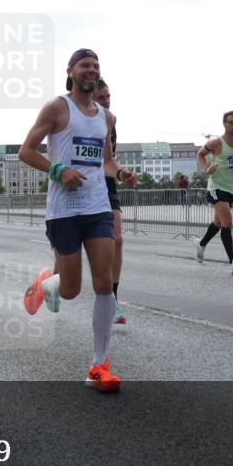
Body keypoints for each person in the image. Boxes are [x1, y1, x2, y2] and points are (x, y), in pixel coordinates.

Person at [21, 49, 138, 393]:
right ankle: (46, 283)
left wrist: (124, 172)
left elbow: (106, 162)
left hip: (97, 206)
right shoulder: (58, 108)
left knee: (104, 281)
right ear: (70, 71)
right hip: (63, 210)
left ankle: (98, 364)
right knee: (70, 290)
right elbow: (26, 151)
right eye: (85, 65)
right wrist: (57, 169)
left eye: (96, 65)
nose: (92, 70)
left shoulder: (106, 118)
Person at [194, 111, 233, 275]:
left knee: (218, 223)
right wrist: (206, 168)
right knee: (228, 222)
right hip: (216, 187)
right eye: (231, 122)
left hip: (231, 188)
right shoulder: (216, 142)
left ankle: (201, 244)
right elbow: (200, 154)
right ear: (224, 124)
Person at [93, 78, 127, 325]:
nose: (106, 101)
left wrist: (122, 173)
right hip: (78, 186)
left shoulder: (110, 121)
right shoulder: (71, 115)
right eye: (101, 97)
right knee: (67, 276)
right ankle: (51, 280)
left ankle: (113, 300)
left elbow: (108, 160)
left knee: (118, 239)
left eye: (108, 97)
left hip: (106, 185)